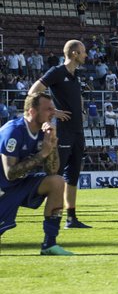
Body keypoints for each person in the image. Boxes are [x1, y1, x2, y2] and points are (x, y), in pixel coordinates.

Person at [29, 39, 91, 229]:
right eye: (83, 52)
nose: (86, 55)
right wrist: (53, 112)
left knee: (73, 175)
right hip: (62, 132)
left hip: (78, 131)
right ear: (74, 54)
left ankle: (71, 218)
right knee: (55, 176)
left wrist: (81, 110)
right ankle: (40, 208)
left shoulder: (74, 76)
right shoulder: (57, 72)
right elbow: (33, 92)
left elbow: (76, 96)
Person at [0, 93, 71, 255]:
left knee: (57, 182)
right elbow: (10, 173)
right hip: (3, 188)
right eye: (48, 109)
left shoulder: (43, 132)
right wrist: (42, 154)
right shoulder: (14, 131)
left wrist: (51, 146)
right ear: (32, 112)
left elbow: (52, 171)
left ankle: (50, 244)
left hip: (18, 185)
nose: (53, 112)